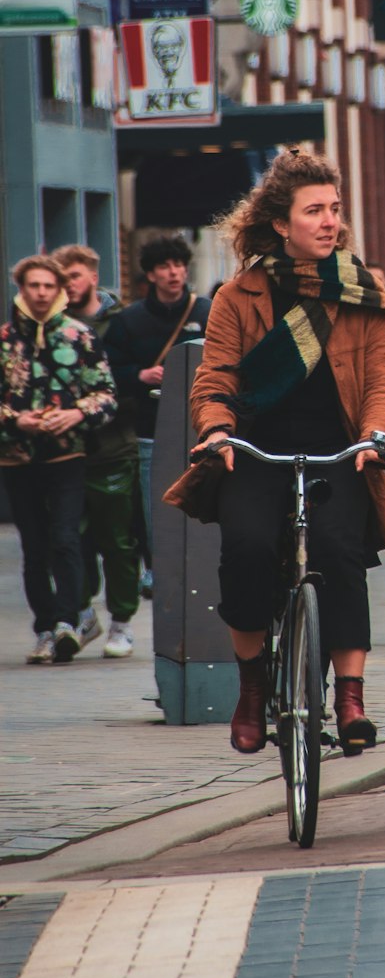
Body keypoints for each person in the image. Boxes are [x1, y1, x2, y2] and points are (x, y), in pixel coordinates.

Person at [186, 150, 385, 755]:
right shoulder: (238, 297)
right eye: (314, 211)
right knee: (249, 549)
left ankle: (350, 696)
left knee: (340, 553)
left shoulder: (364, 291)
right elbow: (215, 379)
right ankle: (253, 687)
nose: (329, 220)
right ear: (281, 224)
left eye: (335, 209)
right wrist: (215, 430)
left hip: (343, 451)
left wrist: (378, 436)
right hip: (254, 452)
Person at [0, 255, 117, 664]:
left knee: (66, 538)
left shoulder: (78, 336)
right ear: (21, 288)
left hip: (67, 455)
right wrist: (17, 420)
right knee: (33, 547)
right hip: (17, 458)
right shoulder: (5, 340)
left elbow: (105, 394)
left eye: (48, 286)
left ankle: (69, 621)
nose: (41, 293)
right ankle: (45, 628)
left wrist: (76, 413)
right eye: (33, 285)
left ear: (59, 289)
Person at [103, 234, 211, 594]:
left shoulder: (205, 312)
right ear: (150, 274)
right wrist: (140, 375)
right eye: (164, 267)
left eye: (178, 265)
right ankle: (159, 567)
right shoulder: (130, 321)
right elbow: (108, 371)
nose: (173, 273)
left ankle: (205, 565)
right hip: (151, 428)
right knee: (155, 505)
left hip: (204, 428)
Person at [52, 245, 141, 657]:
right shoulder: (51, 326)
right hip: (65, 452)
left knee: (118, 542)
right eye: (62, 277)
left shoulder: (120, 324)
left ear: (92, 276)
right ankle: (84, 614)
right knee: (71, 539)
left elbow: (130, 382)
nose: (68, 285)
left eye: (74, 276)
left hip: (112, 447)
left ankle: (121, 622)